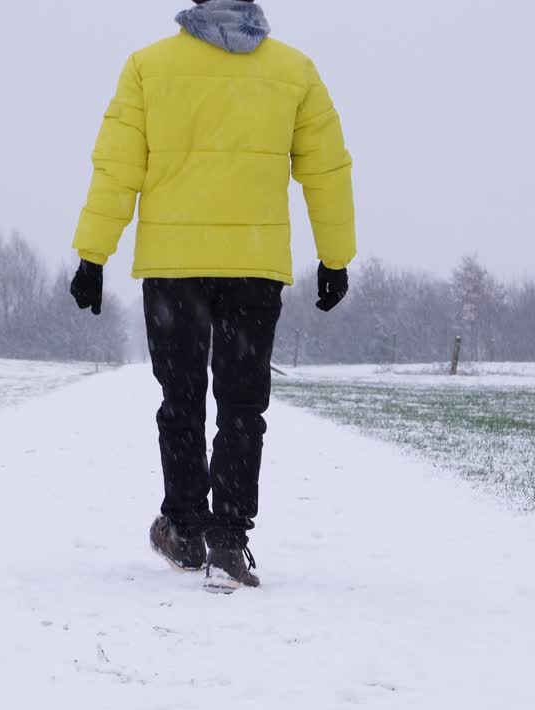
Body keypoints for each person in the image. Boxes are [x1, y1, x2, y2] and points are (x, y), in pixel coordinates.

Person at [69, 0, 356, 594]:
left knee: (182, 399)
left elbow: (117, 167)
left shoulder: (149, 67)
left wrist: (93, 254)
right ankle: (229, 538)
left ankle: (183, 527)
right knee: (243, 406)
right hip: (254, 265)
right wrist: (335, 257)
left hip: (175, 268)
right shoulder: (294, 70)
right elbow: (327, 169)